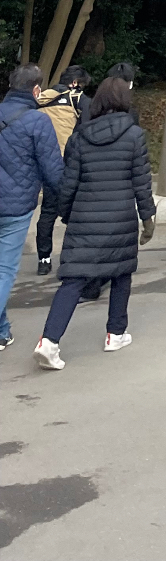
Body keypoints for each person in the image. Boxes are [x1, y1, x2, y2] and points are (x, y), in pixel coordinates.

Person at [33, 77, 156, 370]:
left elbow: (68, 184)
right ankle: (115, 333)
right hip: (120, 216)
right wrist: (147, 218)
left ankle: (49, 341)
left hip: (85, 216)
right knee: (121, 272)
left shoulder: (79, 137)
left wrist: (67, 213)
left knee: (73, 278)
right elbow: (142, 182)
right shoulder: (135, 135)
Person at [0, 64, 64, 353]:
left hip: (14, 203)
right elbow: (53, 172)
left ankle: (2, 332)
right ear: (36, 90)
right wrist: (67, 201)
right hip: (15, 207)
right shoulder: (38, 122)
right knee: (4, 269)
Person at [33, 66, 88, 275]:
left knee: (48, 212)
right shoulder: (76, 98)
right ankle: (72, 257)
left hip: (47, 163)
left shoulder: (41, 99)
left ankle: (44, 259)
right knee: (75, 213)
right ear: (74, 83)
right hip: (70, 164)